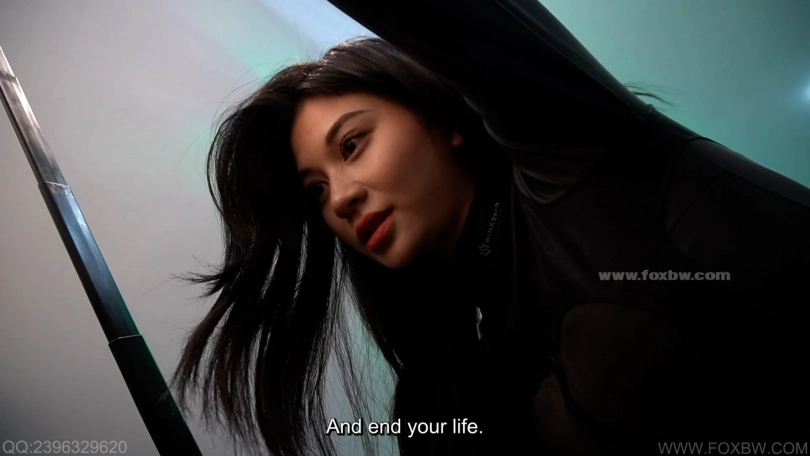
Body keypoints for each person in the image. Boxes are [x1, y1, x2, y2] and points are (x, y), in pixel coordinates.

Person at [170, 1, 810, 455]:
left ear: (443, 119)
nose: (340, 197)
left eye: (353, 144)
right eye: (316, 189)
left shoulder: (578, 155)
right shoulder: (464, 378)